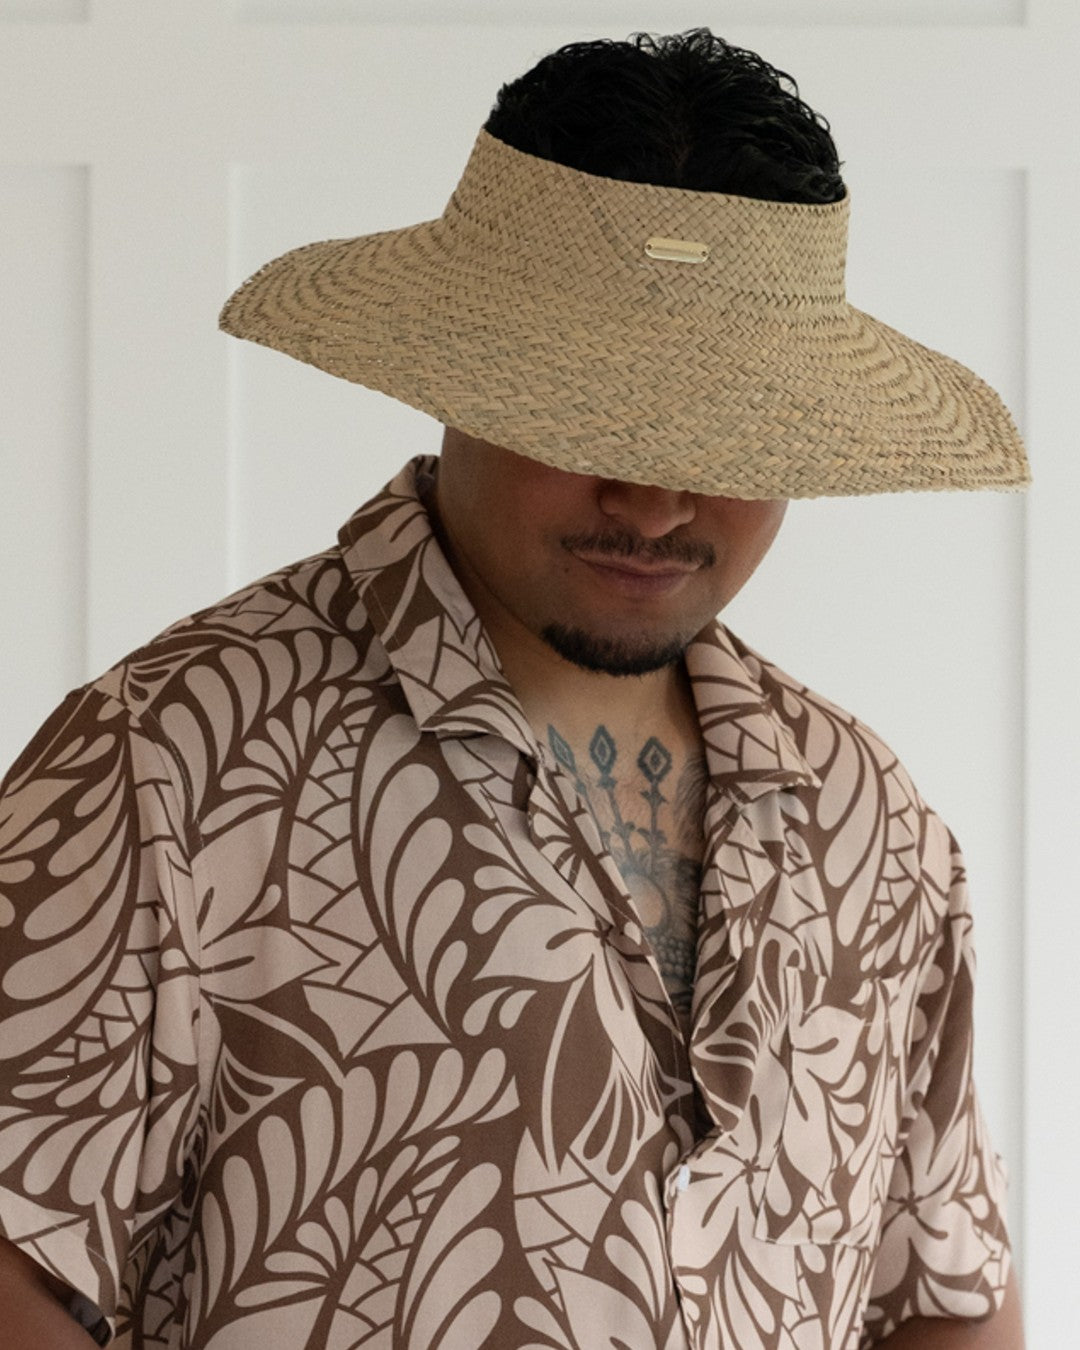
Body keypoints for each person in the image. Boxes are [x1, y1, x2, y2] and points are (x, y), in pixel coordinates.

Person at [0, 28, 1028, 1350]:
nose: (653, 496)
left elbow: (941, 1296)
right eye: (595, 411)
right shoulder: (169, 758)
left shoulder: (868, 822)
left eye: (729, 431)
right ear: (459, 371)